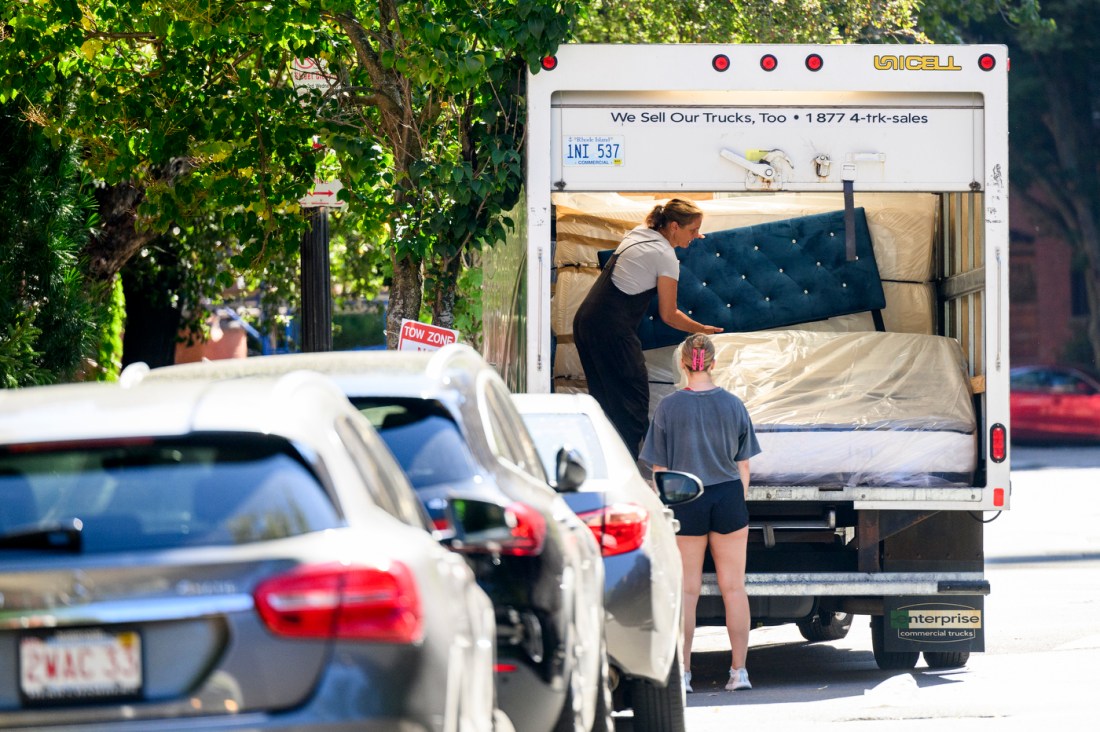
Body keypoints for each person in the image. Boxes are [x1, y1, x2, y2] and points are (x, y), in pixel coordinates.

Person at [639, 333, 761, 693]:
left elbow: (658, 470)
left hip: (685, 497)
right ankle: (739, 673)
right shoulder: (734, 405)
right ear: (712, 362)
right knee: (734, 588)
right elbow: (744, 468)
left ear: (682, 364)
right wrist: (733, 501)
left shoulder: (669, 407)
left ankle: (684, 673)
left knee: (686, 591)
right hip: (727, 497)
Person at [572, 198, 722, 460]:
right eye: (693, 230)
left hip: (586, 322)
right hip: (612, 329)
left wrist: (689, 233)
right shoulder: (664, 255)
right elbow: (669, 315)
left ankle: (605, 461)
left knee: (605, 401)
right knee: (633, 404)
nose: (698, 236)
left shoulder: (640, 234)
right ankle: (626, 468)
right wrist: (703, 330)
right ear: (674, 226)